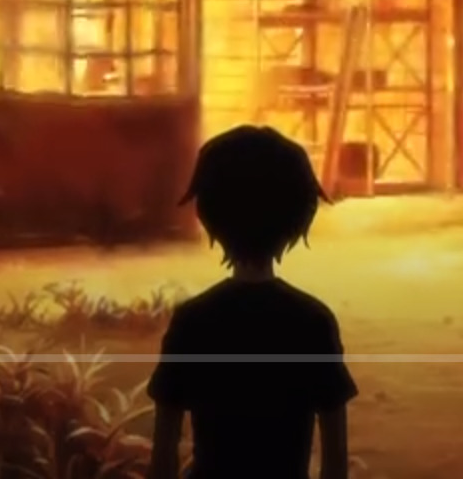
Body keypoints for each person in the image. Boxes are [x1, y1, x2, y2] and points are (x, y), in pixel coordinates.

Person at [148, 125, 357, 479]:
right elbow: (335, 461)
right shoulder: (313, 321)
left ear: (210, 211)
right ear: (297, 213)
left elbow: (163, 457)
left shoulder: (193, 320)